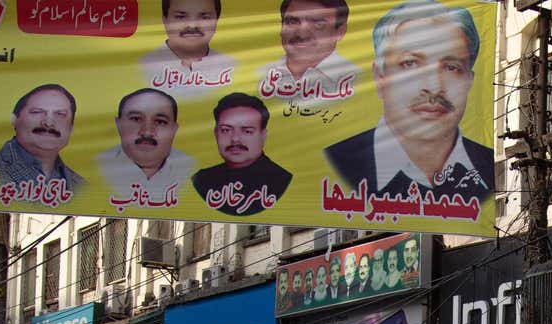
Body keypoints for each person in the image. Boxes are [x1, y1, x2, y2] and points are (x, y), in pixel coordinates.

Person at [323, 0, 494, 203]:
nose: (433, 86)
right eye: (411, 64)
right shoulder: (335, 163)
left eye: (451, 67)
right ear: (380, 77)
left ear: (469, 81)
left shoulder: (492, 172)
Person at [191, 93, 291, 216]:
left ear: (263, 135)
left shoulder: (281, 180)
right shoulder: (201, 180)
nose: (235, 139)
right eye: (226, 130)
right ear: (216, 134)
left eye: (247, 131)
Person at [98, 88, 194, 204]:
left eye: (160, 121)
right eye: (136, 119)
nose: (147, 132)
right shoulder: (97, 168)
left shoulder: (191, 171)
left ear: (174, 130)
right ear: (118, 124)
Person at [0, 84, 85, 191]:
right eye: (37, 112)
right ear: (14, 119)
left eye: (60, 114)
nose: (48, 123)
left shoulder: (81, 186)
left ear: (71, 128)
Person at [259, 0, 358, 103]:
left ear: (340, 32)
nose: (302, 34)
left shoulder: (356, 79)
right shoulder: (260, 76)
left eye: (318, 24)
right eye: (292, 22)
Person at [140, 0, 237, 97]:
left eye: (204, 17)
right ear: (165, 20)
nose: (192, 25)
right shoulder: (142, 66)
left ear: (217, 21)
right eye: (181, 17)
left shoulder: (232, 67)